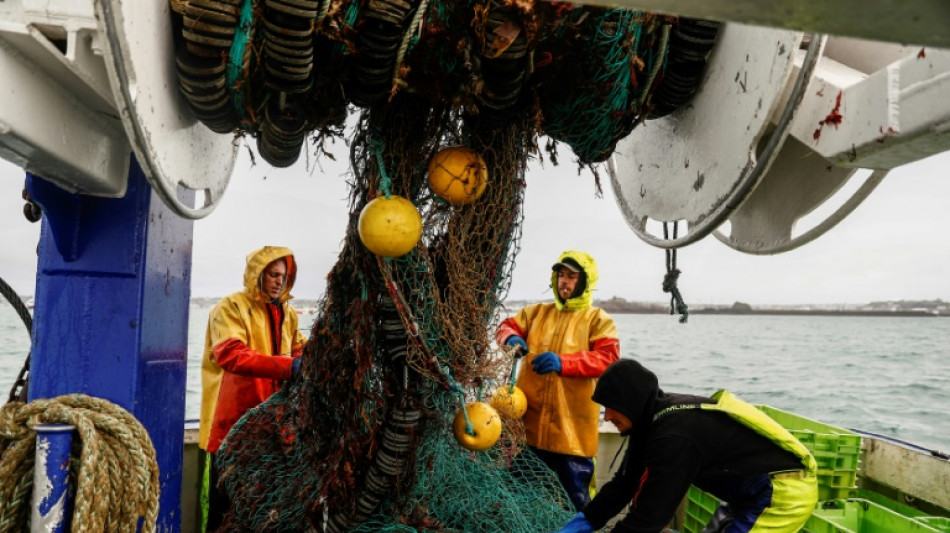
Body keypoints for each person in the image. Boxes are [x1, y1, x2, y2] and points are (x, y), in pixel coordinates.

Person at [555, 359, 818, 533]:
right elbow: (626, 483)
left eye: (612, 407)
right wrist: (588, 519)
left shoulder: (674, 437)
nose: (608, 416)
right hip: (745, 493)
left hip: (780, 492)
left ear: (630, 402)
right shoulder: (649, 420)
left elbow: (649, 519)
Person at [496, 250, 620, 511]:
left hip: (573, 435)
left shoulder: (599, 319)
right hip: (529, 430)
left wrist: (564, 363)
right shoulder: (536, 312)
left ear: (585, 281)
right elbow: (505, 327)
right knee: (515, 498)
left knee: (576, 501)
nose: (564, 281)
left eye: (572, 277)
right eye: (561, 275)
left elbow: (609, 359)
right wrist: (511, 339)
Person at [198, 245, 308, 531]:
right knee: (223, 506)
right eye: (273, 274)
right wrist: (289, 367)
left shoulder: (288, 313)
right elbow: (230, 354)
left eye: (283, 276)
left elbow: (298, 348)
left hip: (271, 426)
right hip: (229, 426)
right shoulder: (230, 306)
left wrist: (313, 358)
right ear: (257, 274)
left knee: (261, 506)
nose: (279, 281)